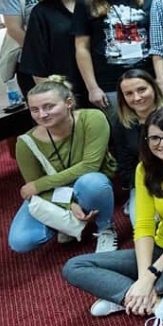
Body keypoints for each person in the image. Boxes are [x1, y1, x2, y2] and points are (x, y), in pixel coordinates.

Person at [62, 108, 163, 326]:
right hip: (161, 250)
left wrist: (150, 276)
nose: (161, 143)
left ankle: (137, 295)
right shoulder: (145, 169)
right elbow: (144, 226)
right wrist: (145, 275)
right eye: (154, 138)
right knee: (74, 266)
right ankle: (151, 299)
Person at [9, 77, 117, 253]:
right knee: (21, 241)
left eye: (49, 106)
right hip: (54, 192)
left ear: (69, 103)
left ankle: (106, 228)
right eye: (35, 109)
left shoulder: (93, 118)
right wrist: (69, 205)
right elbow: (37, 191)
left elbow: (90, 165)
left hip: (86, 182)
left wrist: (39, 184)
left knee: (93, 182)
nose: (42, 115)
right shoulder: (25, 143)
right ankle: (64, 224)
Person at [73, 0, 154, 113]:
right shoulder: (86, 3)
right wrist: (92, 87)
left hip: (146, 79)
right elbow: (82, 48)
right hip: (109, 84)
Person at [112, 69, 163, 202]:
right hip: (145, 183)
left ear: (154, 88)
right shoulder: (121, 124)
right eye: (129, 93)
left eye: (142, 90)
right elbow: (125, 166)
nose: (137, 97)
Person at [20, 0, 88, 102]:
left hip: (104, 83)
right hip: (67, 88)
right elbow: (36, 61)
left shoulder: (94, 2)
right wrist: (51, 99)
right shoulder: (41, 13)